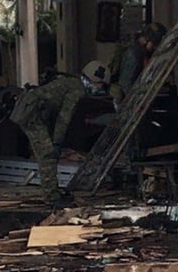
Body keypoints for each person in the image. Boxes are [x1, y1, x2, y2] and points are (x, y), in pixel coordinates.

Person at [10, 61, 108, 205]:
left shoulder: (74, 83)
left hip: (34, 112)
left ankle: (53, 192)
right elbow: (64, 118)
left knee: (48, 153)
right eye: (100, 85)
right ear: (93, 80)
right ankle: (51, 197)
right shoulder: (77, 90)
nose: (100, 89)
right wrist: (57, 142)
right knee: (48, 154)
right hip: (32, 114)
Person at [114, 21, 167, 102]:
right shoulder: (133, 54)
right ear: (148, 39)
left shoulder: (140, 52)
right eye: (154, 44)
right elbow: (126, 85)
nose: (154, 48)